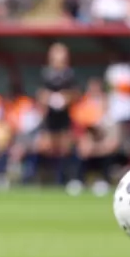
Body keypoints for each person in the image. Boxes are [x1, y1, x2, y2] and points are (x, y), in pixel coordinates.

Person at [37, 43, 78, 186]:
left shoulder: (70, 74)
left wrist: (64, 98)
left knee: (65, 149)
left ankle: (66, 179)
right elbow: (40, 94)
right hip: (49, 117)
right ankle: (45, 179)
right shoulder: (45, 74)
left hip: (64, 117)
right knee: (46, 147)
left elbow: (75, 94)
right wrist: (49, 98)